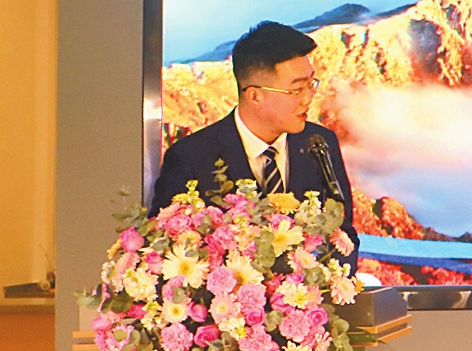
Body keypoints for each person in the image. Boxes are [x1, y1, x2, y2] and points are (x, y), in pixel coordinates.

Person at [150, 21, 357, 260]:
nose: (308, 98)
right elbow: (164, 247)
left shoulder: (320, 143)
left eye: (311, 84)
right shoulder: (192, 157)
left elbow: (344, 234)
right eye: (297, 89)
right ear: (255, 96)